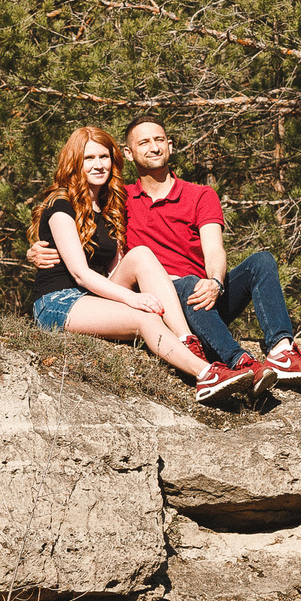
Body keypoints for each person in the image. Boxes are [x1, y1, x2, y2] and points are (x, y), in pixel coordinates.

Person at [28, 117, 301, 395]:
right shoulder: (121, 200)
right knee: (179, 281)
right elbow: (70, 239)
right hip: (166, 296)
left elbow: (214, 250)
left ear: (171, 146)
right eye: (144, 142)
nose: (154, 147)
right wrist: (37, 249)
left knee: (260, 261)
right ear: (129, 154)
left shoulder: (198, 195)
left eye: (159, 139)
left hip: (203, 297)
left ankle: (282, 351)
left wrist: (215, 282)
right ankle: (239, 362)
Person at [28, 125, 238, 403]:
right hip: (59, 300)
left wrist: (137, 295)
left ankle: (187, 340)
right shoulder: (61, 203)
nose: (98, 165)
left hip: (91, 298)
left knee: (140, 253)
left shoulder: (108, 205)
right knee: (145, 317)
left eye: (104, 157)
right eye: (88, 159)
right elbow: (80, 274)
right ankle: (206, 375)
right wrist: (132, 299)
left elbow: (117, 269)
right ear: (74, 163)